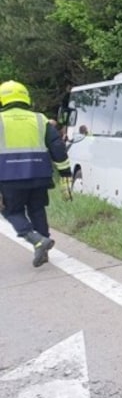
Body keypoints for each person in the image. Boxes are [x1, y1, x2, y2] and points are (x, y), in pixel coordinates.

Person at [0, 80, 72, 267]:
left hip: (9, 177)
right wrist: (65, 173)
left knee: (11, 211)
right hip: (39, 175)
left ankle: (36, 240)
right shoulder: (40, 119)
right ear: (25, 97)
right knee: (37, 209)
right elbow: (57, 147)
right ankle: (43, 247)